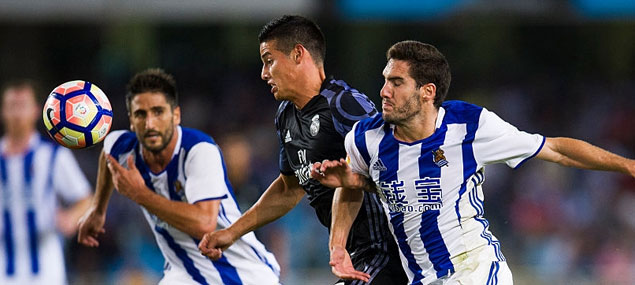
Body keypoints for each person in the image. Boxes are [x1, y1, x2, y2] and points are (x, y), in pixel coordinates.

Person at [311, 40, 635, 284]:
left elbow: (555, 150)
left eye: (397, 83)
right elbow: (352, 186)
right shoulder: (365, 139)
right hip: (422, 278)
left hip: (476, 271)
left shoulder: (470, 125)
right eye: (385, 80)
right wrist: (338, 245)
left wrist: (627, 166)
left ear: (427, 92)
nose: (384, 91)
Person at [198, 15, 407, 284]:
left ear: (298, 54)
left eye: (269, 61)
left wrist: (353, 183)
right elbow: (289, 188)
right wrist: (231, 232)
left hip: (388, 252)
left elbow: (397, 170)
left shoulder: (345, 105)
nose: (263, 73)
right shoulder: (286, 116)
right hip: (354, 256)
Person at [76, 68, 280, 284]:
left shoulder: (199, 150)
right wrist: (97, 211)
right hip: (184, 273)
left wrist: (140, 194)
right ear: (131, 120)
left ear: (176, 115)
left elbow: (204, 224)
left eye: (158, 112)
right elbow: (107, 155)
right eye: (141, 114)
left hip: (240, 272)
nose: (150, 123)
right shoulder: (122, 147)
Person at [0, 80, 92, 285]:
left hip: (45, 261)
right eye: (11, 106)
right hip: (0, 263)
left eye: (22, 106)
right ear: (2, 112)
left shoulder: (54, 156)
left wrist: (71, 217)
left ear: (35, 111)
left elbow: (85, 198)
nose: (17, 114)